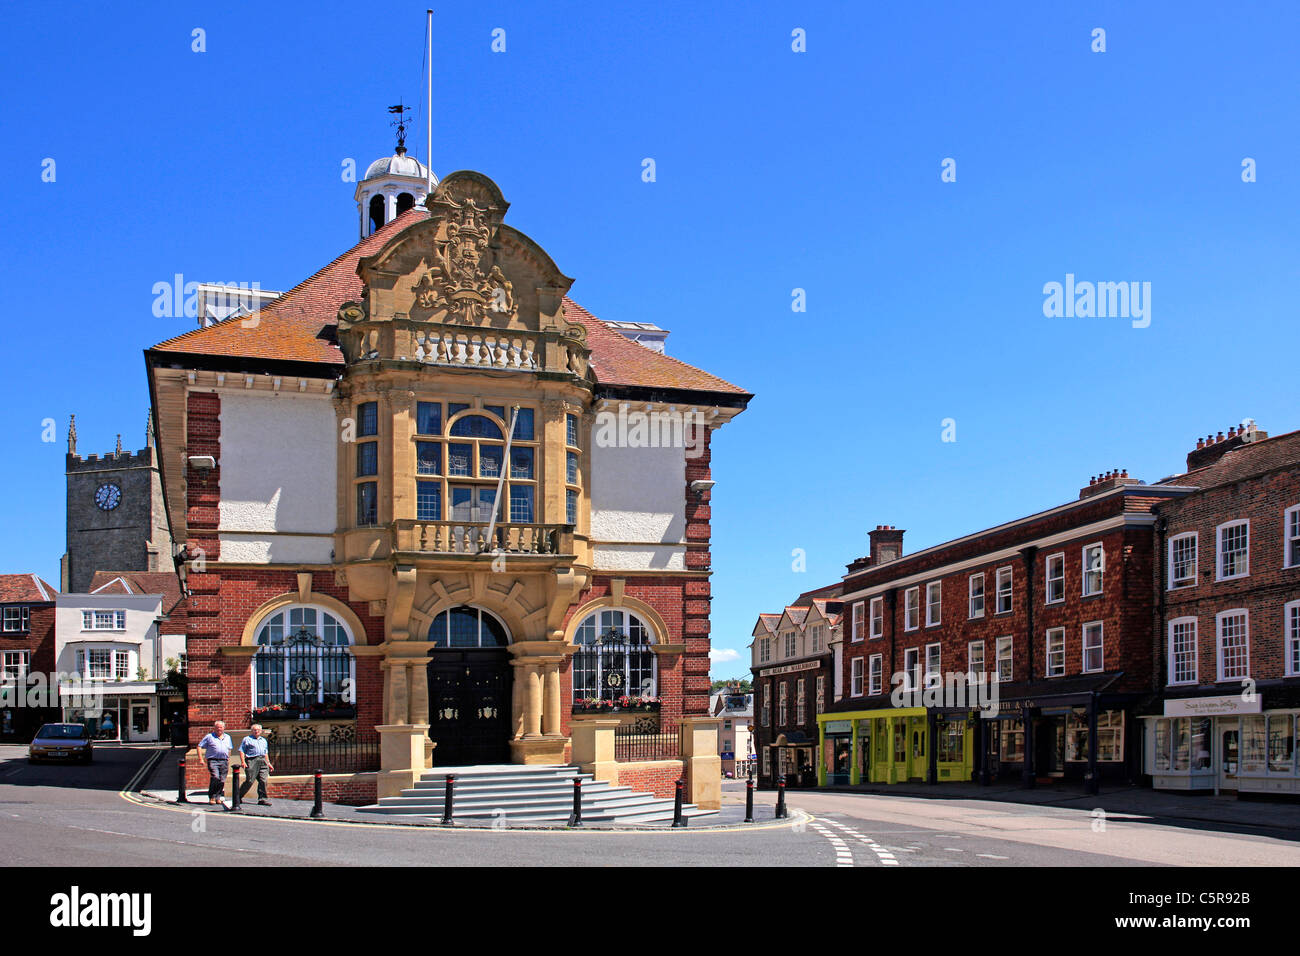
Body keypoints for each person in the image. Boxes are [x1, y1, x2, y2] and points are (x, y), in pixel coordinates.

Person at [197, 719, 234, 807]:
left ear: (224, 728)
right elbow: (199, 746)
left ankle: (218, 797)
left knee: (222, 780)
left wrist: (228, 758)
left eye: (221, 727)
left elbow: (229, 749)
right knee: (215, 777)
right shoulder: (209, 736)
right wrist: (201, 759)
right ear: (214, 728)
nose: (219, 729)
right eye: (217, 728)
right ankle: (212, 797)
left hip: (224, 761)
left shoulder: (228, 737)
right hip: (213, 760)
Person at [238, 723, 274, 806]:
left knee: (263, 780)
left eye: (258, 730)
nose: (256, 731)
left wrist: (268, 763)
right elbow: (242, 751)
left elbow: (265, 753)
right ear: (252, 731)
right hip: (252, 760)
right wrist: (243, 762)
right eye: (254, 730)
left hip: (263, 760)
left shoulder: (263, 740)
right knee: (250, 780)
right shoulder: (247, 739)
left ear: (261, 731)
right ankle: (238, 796)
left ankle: (262, 799)